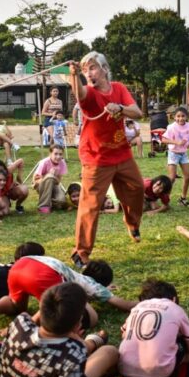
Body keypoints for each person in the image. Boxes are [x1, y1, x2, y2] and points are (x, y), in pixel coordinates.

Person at [68, 52, 145, 268]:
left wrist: (120, 108)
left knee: (137, 188)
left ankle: (132, 223)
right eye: (85, 69)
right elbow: (80, 94)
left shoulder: (119, 88)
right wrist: (74, 76)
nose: (89, 73)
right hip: (96, 157)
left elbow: (137, 112)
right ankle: (81, 252)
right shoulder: (90, 94)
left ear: (103, 69)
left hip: (121, 153)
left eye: (92, 68)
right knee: (91, 204)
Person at [0, 255, 136, 331]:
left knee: (16, 305)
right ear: (101, 283)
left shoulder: (76, 275)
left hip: (21, 265)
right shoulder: (92, 285)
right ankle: (23, 329)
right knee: (55, 306)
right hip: (43, 274)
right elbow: (125, 305)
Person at [118, 279, 189, 377]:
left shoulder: (138, 307)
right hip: (159, 375)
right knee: (180, 346)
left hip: (124, 369)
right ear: (174, 299)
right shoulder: (176, 309)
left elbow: (124, 335)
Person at [33, 144, 68, 213]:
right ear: (50, 154)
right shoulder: (44, 162)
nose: (58, 157)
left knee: (61, 201)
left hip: (54, 184)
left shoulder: (62, 163)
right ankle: (43, 206)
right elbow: (35, 180)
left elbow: (58, 182)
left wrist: (54, 177)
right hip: (40, 185)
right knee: (49, 177)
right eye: (55, 154)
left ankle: (50, 201)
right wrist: (48, 175)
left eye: (60, 154)